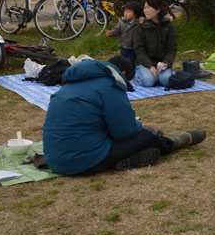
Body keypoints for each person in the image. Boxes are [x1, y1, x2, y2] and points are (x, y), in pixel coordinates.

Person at [43, 56, 205, 175]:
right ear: (123, 74)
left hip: (55, 161)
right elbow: (124, 132)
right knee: (145, 136)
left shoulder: (71, 84)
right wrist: (138, 126)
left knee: (137, 135)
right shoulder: (110, 85)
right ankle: (172, 142)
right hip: (84, 162)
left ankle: (130, 157)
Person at [133, 0, 177, 87]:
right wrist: (150, 66)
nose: (145, 11)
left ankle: (158, 76)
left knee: (166, 81)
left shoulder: (168, 26)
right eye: (144, 8)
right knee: (148, 81)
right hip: (144, 63)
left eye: (148, 8)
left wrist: (166, 63)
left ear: (158, 10)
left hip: (162, 63)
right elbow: (139, 50)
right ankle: (145, 74)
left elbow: (171, 49)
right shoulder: (140, 27)